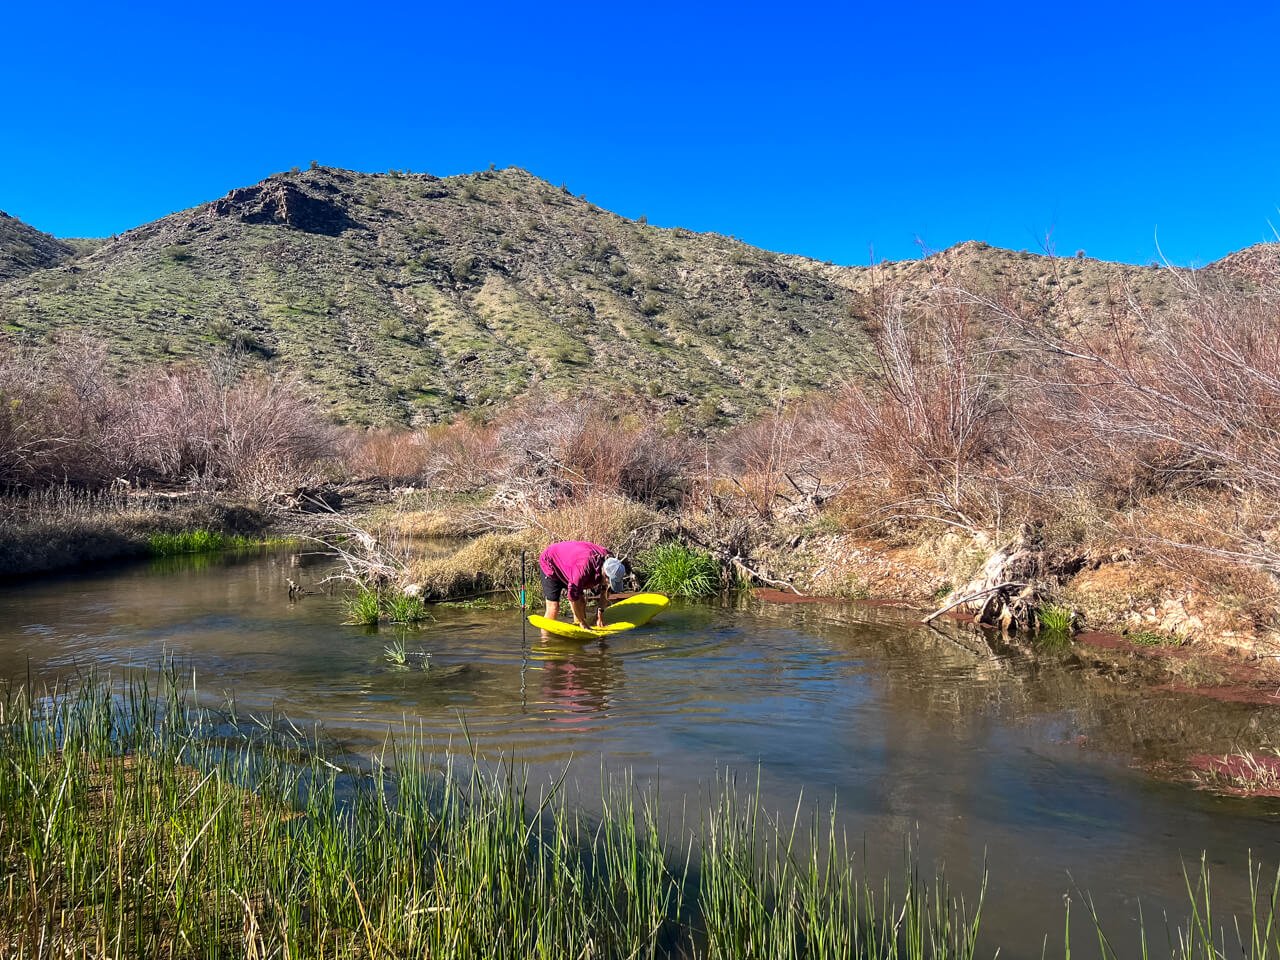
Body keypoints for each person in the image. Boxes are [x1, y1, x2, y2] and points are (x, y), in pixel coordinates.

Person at [538, 540, 627, 630]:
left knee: (581, 602)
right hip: (551, 562)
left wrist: (599, 615)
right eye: (609, 581)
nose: (610, 584)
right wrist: (582, 622)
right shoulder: (583, 569)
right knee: (553, 608)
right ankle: (545, 640)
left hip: (571, 564)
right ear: (605, 575)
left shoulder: (612, 563)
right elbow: (572, 598)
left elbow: (605, 591)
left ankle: (578, 629)